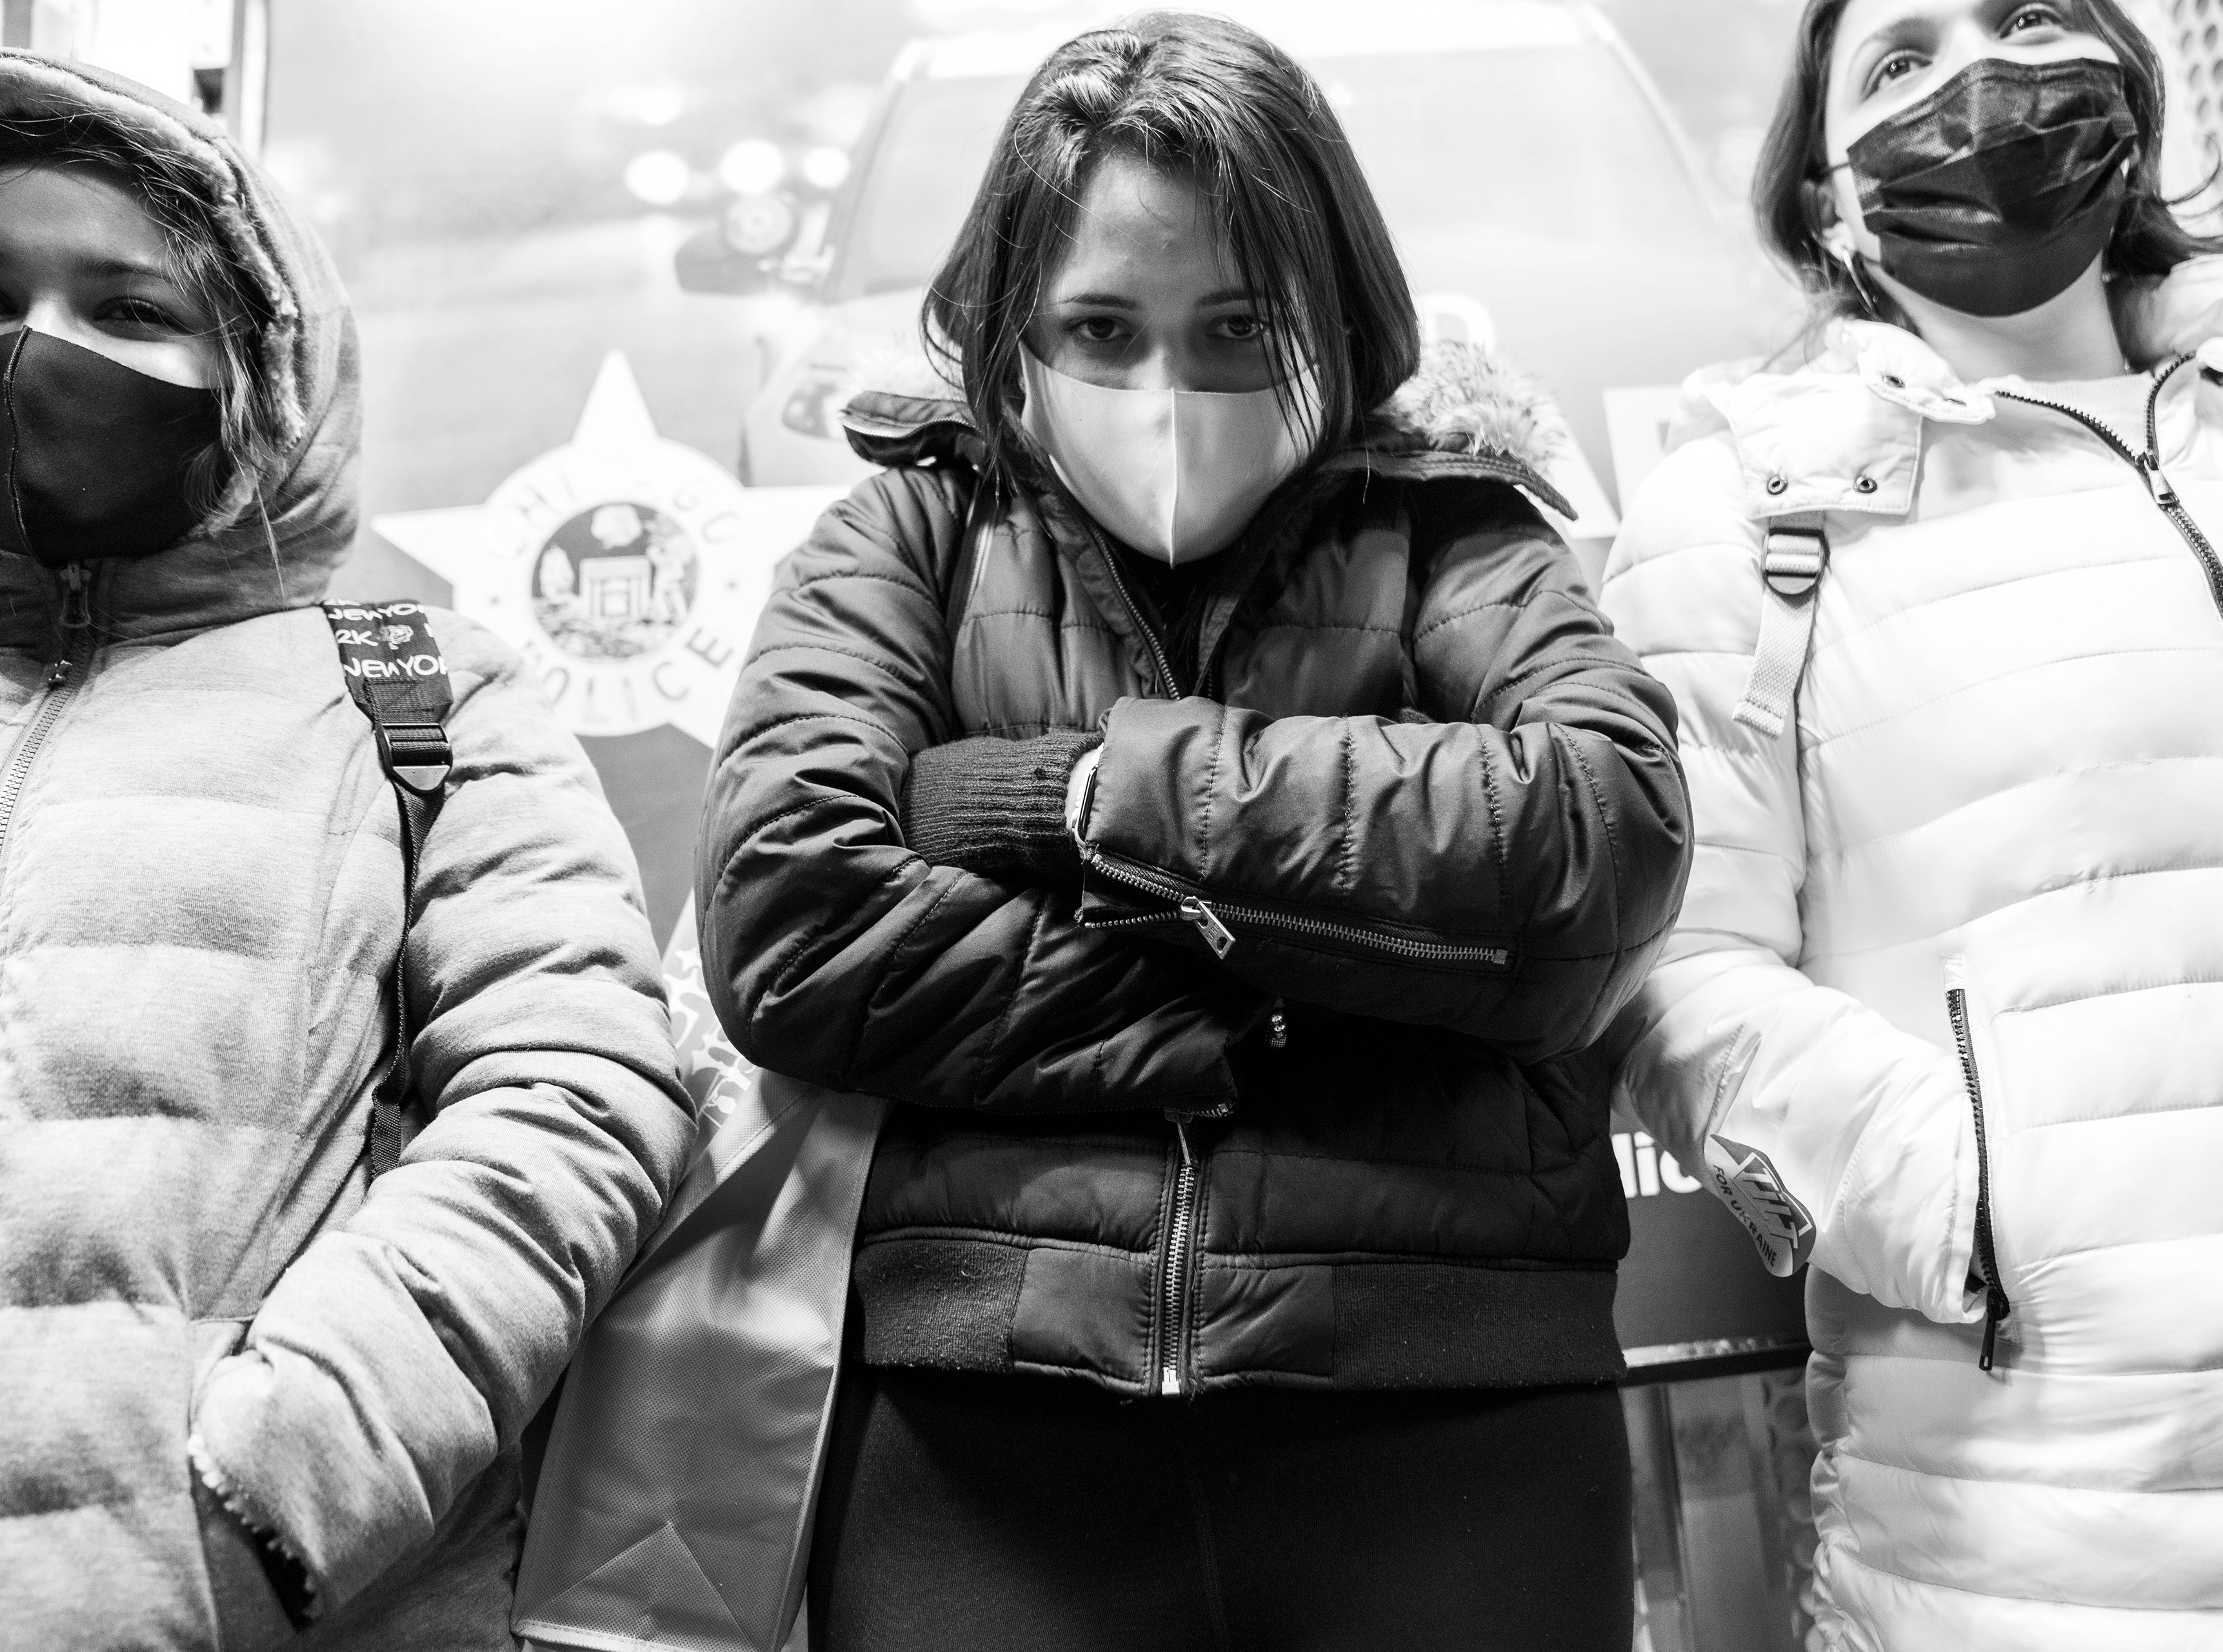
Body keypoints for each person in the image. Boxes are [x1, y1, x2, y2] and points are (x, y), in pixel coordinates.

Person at [694, 14, 1692, 1650]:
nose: (1168, 393)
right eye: (1103, 328)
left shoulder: (1456, 530)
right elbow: (792, 924)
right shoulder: (908, 537)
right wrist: (1307, 989)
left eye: (1237, 328)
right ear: (1013, 328)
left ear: (1332, 314)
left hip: (1453, 1406)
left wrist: (1074, 797)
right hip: (981, 1425)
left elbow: (1602, 840)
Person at [1598, 1, 2223, 1646]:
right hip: (2061, 1524)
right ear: (1825, 199)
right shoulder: (1746, 514)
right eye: (1901, 61)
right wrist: (1977, 1213)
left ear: (2125, 86)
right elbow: (1676, 972)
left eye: (2026, 20)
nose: (1980, 83)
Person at [0, 51, 694, 1651]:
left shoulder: (413, 689)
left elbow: (573, 1093)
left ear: (256, 368)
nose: (40, 350)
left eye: (129, 308)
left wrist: (271, 1496)